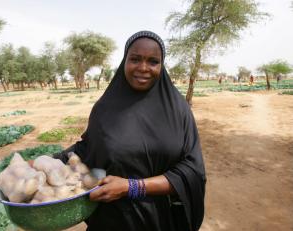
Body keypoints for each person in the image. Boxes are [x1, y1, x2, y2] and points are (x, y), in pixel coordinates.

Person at [54, 31, 206, 231]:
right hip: (111, 220)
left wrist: (131, 187)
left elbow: (192, 171)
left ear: (162, 65)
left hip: (159, 220)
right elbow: (87, 150)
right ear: (124, 61)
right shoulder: (105, 108)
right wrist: (44, 163)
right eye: (135, 59)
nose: (143, 68)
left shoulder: (178, 111)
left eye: (153, 61)